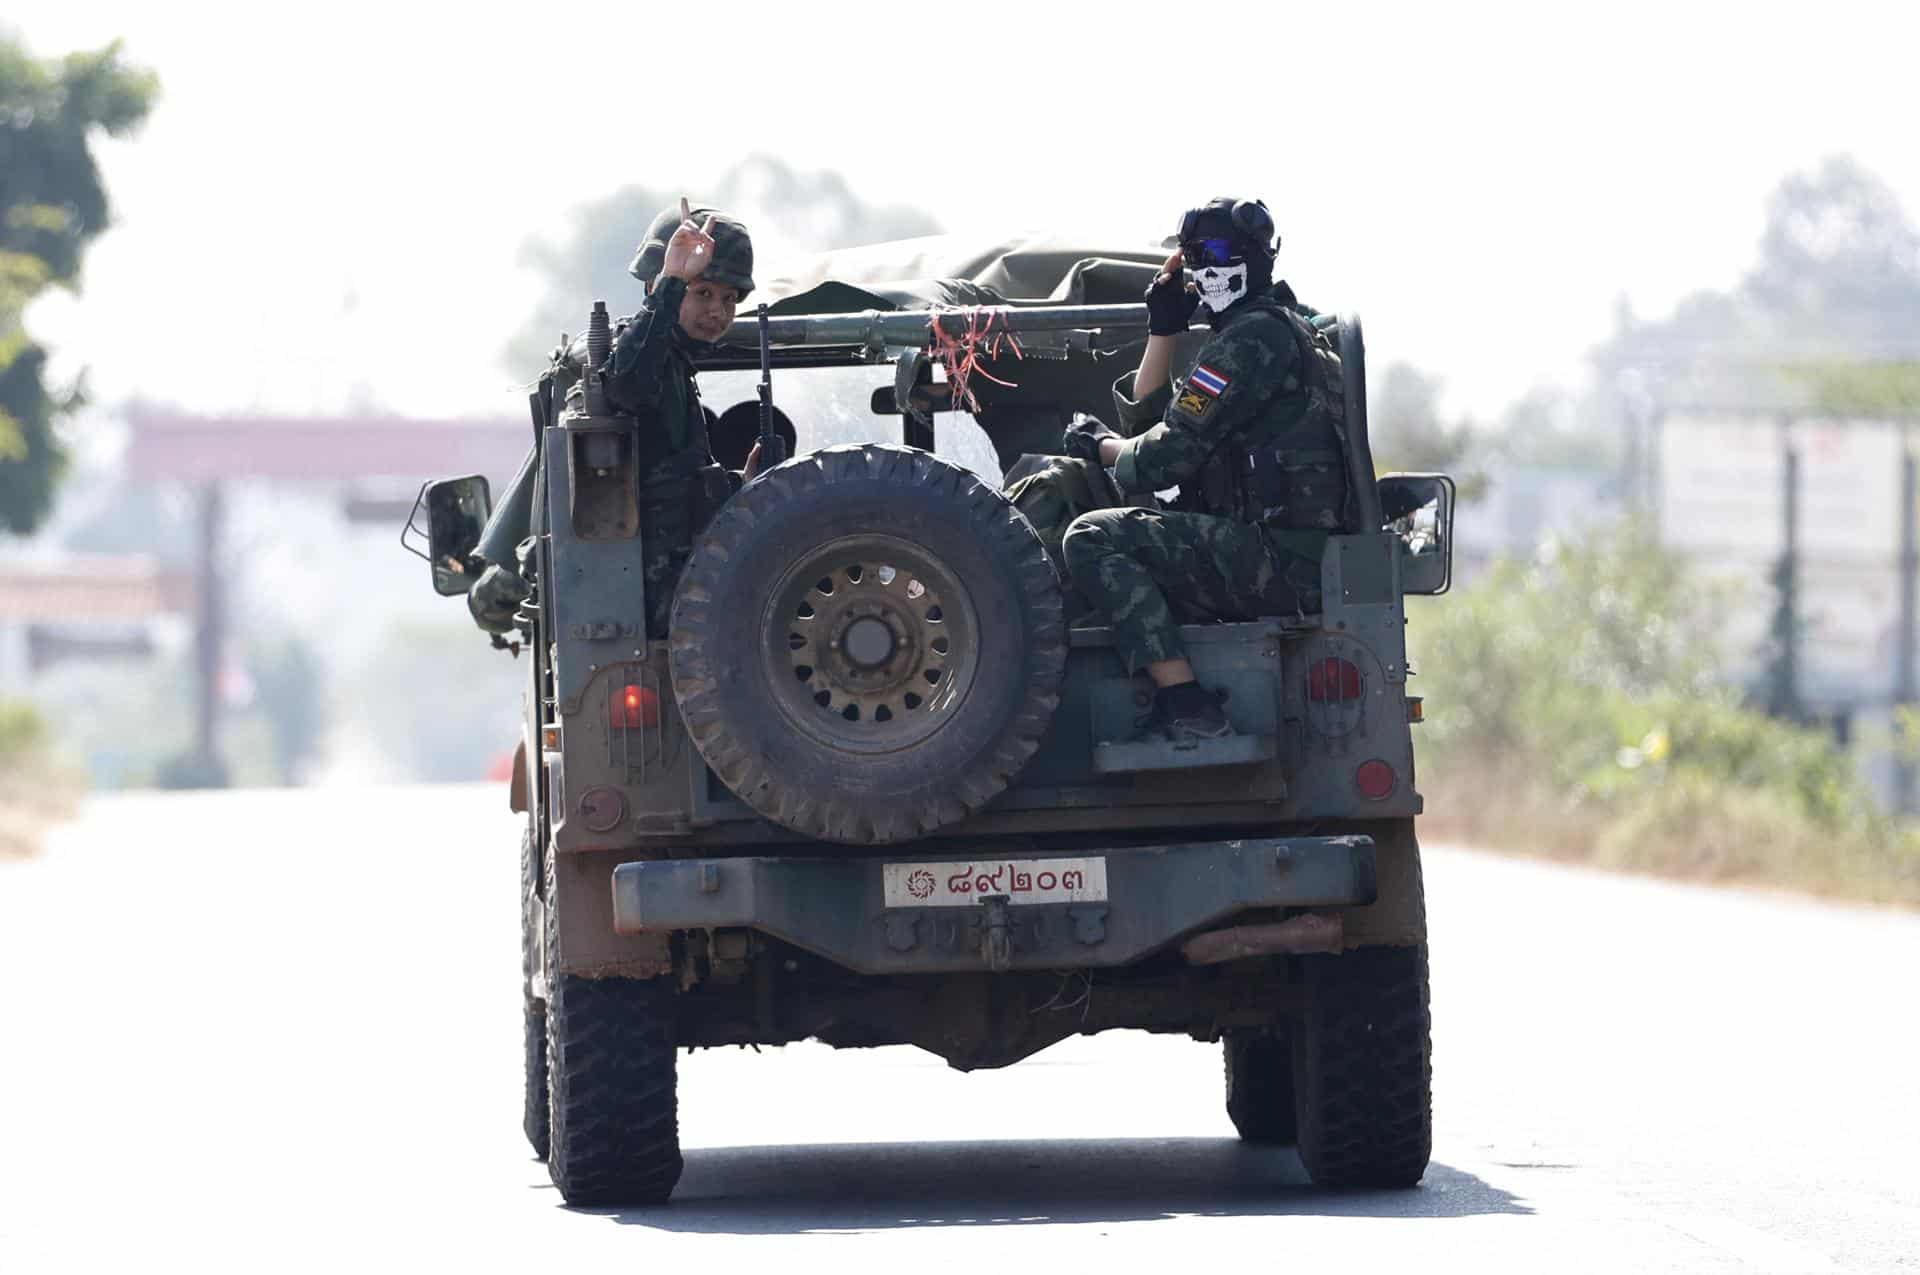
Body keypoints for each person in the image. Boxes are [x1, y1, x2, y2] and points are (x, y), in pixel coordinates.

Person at [1058, 197, 1353, 743]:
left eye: (1216, 252)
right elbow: (1157, 428)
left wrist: (1099, 445)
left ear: (1256, 256)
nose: (1205, 268)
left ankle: (1185, 702)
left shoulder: (1253, 339)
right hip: (1282, 554)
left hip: (1280, 560)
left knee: (1092, 537)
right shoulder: (1270, 330)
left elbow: (1159, 460)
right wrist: (1163, 329)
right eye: (1194, 255)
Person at [468, 197, 759, 640]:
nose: (718, 311)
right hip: (645, 611)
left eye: (729, 298)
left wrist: (745, 490)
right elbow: (626, 385)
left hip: (694, 601)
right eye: (702, 293)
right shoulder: (646, 359)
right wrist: (673, 282)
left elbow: (680, 486)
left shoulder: (677, 370)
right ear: (655, 287)